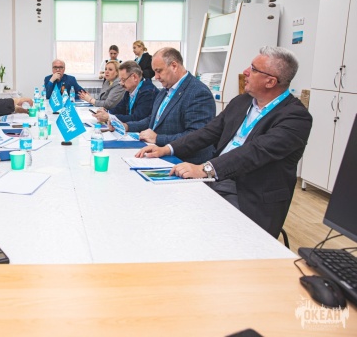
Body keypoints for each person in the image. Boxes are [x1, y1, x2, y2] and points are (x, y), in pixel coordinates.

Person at [136, 46, 313, 237]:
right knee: (158, 205)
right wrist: (167, 149)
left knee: (190, 226)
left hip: (249, 193)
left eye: (253, 69)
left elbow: (255, 152)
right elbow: (207, 132)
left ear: (270, 81)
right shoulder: (242, 102)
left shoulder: (296, 118)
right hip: (217, 179)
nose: (245, 72)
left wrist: (205, 169)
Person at [124, 48, 215, 164]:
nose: (156, 77)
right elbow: (153, 120)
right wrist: (127, 126)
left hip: (185, 162)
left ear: (174, 66)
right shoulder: (165, 90)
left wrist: (158, 138)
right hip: (159, 154)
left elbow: (196, 136)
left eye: (159, 71)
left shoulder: (198, 92)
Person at [93, 60, 157, 123]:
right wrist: (106, 112)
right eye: (120, 80)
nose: (121, 83)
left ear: (134, 77)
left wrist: (109, 117)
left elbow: (137, 118)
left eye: (123, 80)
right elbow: (119, 108)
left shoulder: (148, 92)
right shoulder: (129, 89)